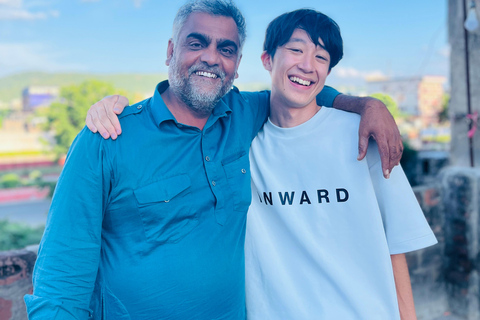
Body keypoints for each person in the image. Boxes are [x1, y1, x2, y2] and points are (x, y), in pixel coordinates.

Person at [25, 1, 402, 319]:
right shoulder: (107, 139)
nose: (211, 57)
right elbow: (61, 278)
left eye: (226, 49)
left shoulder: (243, 114)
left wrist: (369, 105)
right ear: (171, 52)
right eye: (197, 42)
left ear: (237, 65)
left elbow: (301, 88)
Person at [242, 9, 437, 320]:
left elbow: (394, 245)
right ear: (267, 59)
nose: (307, 65)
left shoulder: (364, 135)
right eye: (295, 50)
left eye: (321, 57)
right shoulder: (243, 143)